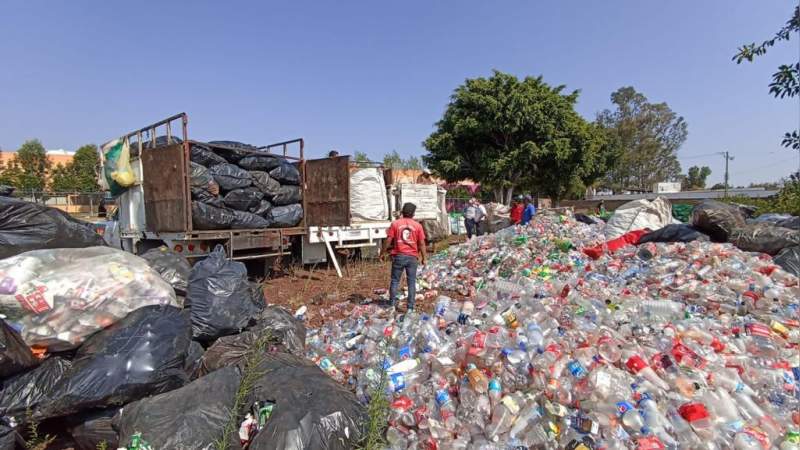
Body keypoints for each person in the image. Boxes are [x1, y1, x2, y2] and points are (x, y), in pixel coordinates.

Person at [381, 202, 427, 311]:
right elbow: (421, 243)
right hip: (412, 257)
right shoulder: (418, 226)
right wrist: (424, 257)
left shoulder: (395, 224)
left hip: (399, 256)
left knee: (395, 281)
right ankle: (410, 308)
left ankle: (391, 305)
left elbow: (388, 240)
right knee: (411, 282)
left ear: (402, 212)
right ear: (413, 214)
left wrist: (382, 252)